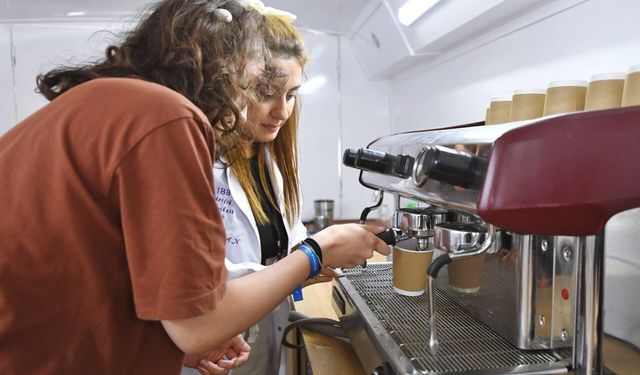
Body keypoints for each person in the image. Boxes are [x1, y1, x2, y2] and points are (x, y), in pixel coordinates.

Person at [0, 1, 390, 375]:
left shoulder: (104, 103)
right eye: (256, 84)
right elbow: (198, 325)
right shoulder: (165, 116)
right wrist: (317, 251)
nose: (254, 104)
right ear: (220, 67)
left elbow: (95, 270)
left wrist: (172, 338)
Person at [193, 9, 317, 375]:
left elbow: (284, 240)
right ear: (230, 84)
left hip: (258, 339)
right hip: (207, 348)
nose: (282, 111)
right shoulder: (199, 162)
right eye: (266, 93)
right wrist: (304, 262)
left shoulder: (269, 160)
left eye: (291, 95)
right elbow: (203, 281)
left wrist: (307, 257)